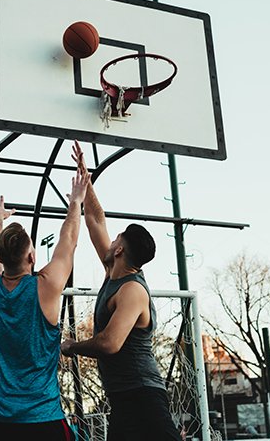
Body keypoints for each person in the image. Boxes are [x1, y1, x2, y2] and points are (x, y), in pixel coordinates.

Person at [60, 141, 181, 441]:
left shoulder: (131, 291)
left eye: (117, 237)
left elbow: (109, 343)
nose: (111, 237)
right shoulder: (113, 268)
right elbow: (95, 220)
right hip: (123, 397)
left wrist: (71, 346)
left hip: (143, 395)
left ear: (120, 249)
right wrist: (85, 177)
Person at [0, 165, 88, 441]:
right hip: (41, 418)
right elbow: (68, 241)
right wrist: (75, 201)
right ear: (32, 257)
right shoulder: (44, 287)